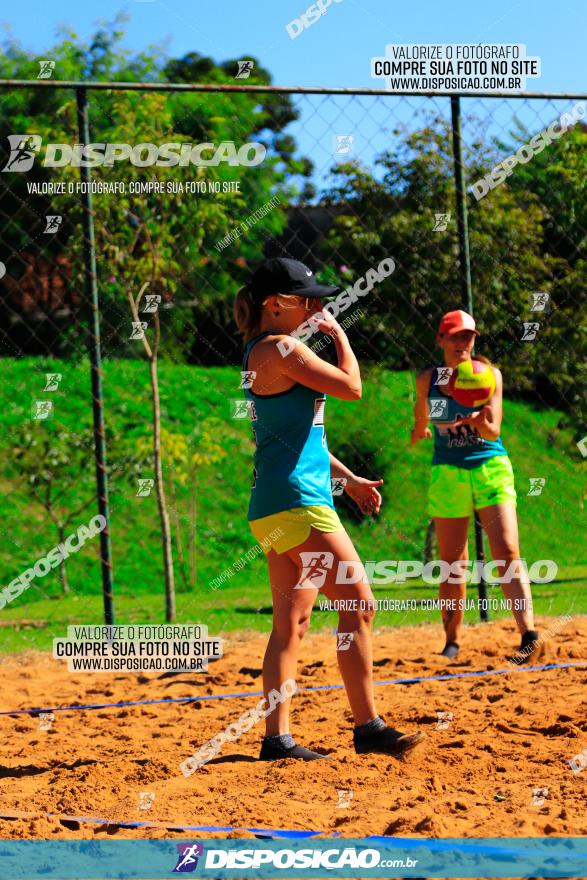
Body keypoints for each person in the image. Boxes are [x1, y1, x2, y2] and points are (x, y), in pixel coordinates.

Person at [234, 257, 425, 761]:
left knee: (290, 625)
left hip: (276, 505)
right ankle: (368, 728)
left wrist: (351, 480)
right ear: (276, 304)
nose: (317, 306)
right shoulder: (281, 347)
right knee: (359, 602)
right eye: (308, 298)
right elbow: (352, 387)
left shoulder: (263, 351)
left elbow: (302, 438)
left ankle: (276, 740)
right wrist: (338, 332)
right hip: (298, 505)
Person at [411, 309, 543, 664]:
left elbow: (494, 431)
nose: (462, 343)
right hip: (448, 472)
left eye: (468, 336)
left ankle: (528, 632)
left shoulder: (489, 377)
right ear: (440, 339)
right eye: (454, 336)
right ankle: (452, 641)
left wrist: (478, 422)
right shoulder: (428, 380)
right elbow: (421, 414)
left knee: (507, 551)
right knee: (453, 562)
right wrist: (419, 430)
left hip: (489, 466)